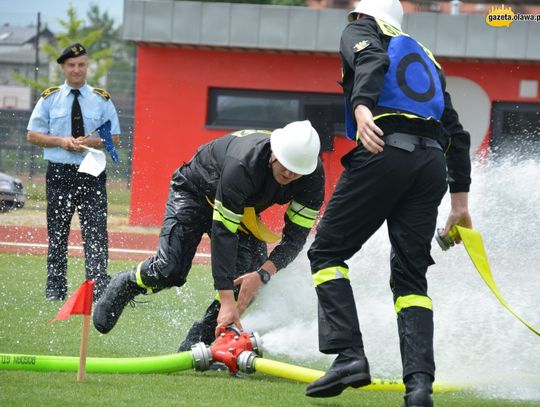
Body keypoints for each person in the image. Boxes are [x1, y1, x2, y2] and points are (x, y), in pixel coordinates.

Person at [305, 1, 472, 406]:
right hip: (431, 163)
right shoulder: (427, 57)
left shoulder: (364, 30)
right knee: (412, 280)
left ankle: (349, 357)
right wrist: (459, 204)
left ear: (364, 16)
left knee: (326, 252)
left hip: (384, 150)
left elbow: (371, 59)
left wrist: (361, 107)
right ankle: (418, 388)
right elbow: (456, 133)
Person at [93, 121, 325, 346]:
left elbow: (295, 238)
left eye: (296, 171)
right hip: (194, 192)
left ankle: (197, 343)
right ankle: (126, 282)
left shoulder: (312, 178)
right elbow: (224, 235)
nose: (288, 173)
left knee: (246, 282)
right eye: (285, 164)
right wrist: (225, 301)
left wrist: (263, 274)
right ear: (274, 152)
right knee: (170, 270)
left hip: (241, 207)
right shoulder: (243, 164)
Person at [27, 43, 121, 301]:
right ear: (63, 67)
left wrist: (89, 142)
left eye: (81, 64)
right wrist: (61, 141)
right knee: (57, 232)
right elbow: (33, 134)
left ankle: (99, 289)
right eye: (71, 65)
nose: (77, 70)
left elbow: (115, 138)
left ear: (87, 66)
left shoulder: (101, 99)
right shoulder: (49, 98)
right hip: (59, 173)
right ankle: (55, 290)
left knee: (96, 234)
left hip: (91, 172)